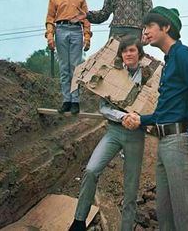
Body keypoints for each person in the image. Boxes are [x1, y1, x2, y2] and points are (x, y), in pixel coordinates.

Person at [123, 6, 188, 231]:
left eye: (149, 27)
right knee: (166, 218)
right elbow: (165, 113)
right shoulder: (169, 62)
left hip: (178, 143)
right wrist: (140, 119)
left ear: (166, 27)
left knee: (186, 220)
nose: (144, 32)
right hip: (164, 143)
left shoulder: (184, 55)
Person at [69, 36, 146, 231]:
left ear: (139, 53)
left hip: (136, 136)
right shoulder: (113, 74)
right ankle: (79, 221)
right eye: (125, 51)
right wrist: (123, 116)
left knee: (131, 187)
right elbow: (103, 107)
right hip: (114, 131)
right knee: (91, 170)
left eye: (132, 50)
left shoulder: (147, 77)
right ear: (121, 54)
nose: (128, 54)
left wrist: (136, 118)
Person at [45, 0, 92, 114]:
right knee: (64, 67)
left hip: (76, 31)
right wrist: (50, 36)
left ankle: (75, 101)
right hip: (61, 29)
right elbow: (50, 18)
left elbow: (85, 18)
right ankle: (66, 100)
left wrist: (87, 37)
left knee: (75, 67)